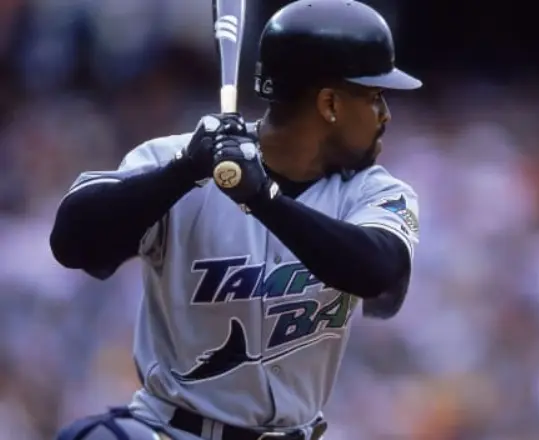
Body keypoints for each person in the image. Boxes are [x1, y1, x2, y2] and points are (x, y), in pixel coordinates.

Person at [48, 0, 422, 439]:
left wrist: (263, 199)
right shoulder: (183, 160)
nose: (385, 115)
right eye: (374, 96)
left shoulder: (374, 192)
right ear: (330, 104)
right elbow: (73, 241)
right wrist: (182, 173)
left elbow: (377, 271)